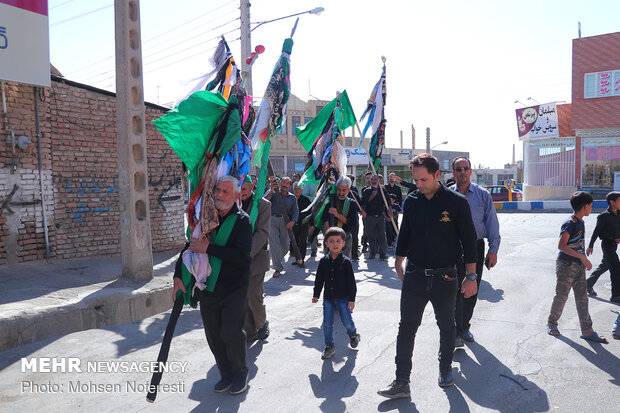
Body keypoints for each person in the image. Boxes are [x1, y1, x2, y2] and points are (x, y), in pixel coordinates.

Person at [378, 154, 478, 399]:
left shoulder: (457, 202)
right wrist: (399, 260)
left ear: (437, 175)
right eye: (416, 180)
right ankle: (401, 381)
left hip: (446, 277)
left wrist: (472, 276)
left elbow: (469, 240)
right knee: (407, 328)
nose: (419, 184)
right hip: (415, 276)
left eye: (423, 179)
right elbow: (406, 234)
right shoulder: (412, 201)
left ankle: (445, 369)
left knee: (446, 326)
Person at [172, 175, 253, 395]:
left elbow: (241, 256)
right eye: (217, 190)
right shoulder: (205, 218)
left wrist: (210, 249)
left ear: (236, 196)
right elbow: (191, 247)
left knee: (231, 332)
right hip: (208, 286)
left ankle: (240, 373)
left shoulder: (242, 221)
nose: (219, 195)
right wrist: (177, 276)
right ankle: (225, 374)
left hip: (234, 286)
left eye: (226, 192)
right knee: (214, 334)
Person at [450, 156, 501, 346]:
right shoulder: (447, 196)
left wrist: (493, 250)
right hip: (453, 248)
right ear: (453, 173)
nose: (462, 172)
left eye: (465, 168)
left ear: (471, 171)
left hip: (476, 247)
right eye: (458, 169)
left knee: (471, 289)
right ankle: (455, 330)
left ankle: (465, 327)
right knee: (454, 289)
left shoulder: (482, 195)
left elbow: (492, 223)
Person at [546, 191, 608, 344]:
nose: (591, 208)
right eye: (590, 205)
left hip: (578, 266)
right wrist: (582, 257)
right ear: (585, 206)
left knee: (582, 298)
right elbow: (561, 245)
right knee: (562, 296)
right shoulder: (571, 223)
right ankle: (551, 323)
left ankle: (587, 331)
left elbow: (577, 244)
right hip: (566, 265)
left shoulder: (580, 221)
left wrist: (582, 258)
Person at [312, 226, 360, 359]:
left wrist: (352, 299)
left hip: (343, 299)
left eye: (338, 241)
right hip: (328, 299)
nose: (335, 244)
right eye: (331, 241)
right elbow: (319, 279)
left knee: (347, 321)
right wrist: (316, 294)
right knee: (327, 324)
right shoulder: (323, 261)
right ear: (326, 243)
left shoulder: (346, 262)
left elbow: (351, 283)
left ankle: (353, 334)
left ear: (343, 243)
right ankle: (329, 346)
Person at [240, 176, 271, 342]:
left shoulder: (263, 205)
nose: (241, 193)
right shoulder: (233, 203)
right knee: (242, 296)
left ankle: (261, 323)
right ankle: (249, 329)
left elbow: (263, 233)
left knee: (253, 294)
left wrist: (246, 253)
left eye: (244, 189)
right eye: (238, 189)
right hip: (236, 260)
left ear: (252, 186)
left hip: (256, 258)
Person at [585, 191, 620, 302]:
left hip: (614, 245)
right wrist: (590, 246)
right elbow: (596, 231)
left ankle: (587, 284)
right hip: (607, 245)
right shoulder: (604, 216)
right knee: (616, 269)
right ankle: (615, 296)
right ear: (612, 202)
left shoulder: (619, 213)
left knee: (604, 266)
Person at [265, 176, 299, 277]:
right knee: (274, 244)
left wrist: (293, 221)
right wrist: (271, 191)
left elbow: (295, 211)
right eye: (283, 182)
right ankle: (277, 268)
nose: (284, 184)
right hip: (272, 220)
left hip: (285, 222)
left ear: (289, 186)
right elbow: (264, 201)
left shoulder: (292, 197)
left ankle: (277, 261)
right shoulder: (273, 192)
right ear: (280, 183)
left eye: (287, 183)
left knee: (285, 246)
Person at [321, 176, 359, 259]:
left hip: (345, 237)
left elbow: (352, 223)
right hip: (330, 236)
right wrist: (328, 233)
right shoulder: (330, 200)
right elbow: (324, 217)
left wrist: (337, 214)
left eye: (344, 190)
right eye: (339, 189)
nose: (341, 193)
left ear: (349, 190)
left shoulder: (351, 203)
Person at [362, 174, 389, 260]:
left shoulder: (382, 191)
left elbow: (387, 201)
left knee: (382, 235)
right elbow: (364, 203)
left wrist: (390, 209)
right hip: (370, 216)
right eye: (372, 179)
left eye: (375, 179)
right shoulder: (367, 191)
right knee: (371, 236)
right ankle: (372, 253)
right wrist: (371, 197)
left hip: (380, 216)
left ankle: (383, 254)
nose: (373, 181)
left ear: (378, 181)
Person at [292, 182, 312, 267]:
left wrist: (311, 225)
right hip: (293, 224)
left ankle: (302, 260)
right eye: (295, 188)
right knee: (295, 243)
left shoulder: (306, 200)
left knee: (303, 242)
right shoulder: (291, 199)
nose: (297, 190)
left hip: (303, 224)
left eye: (299, 188)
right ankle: (297, 259)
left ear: (302, 189)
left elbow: (310, 213)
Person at [348, 174, 364, 261]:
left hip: (353, 217)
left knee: (354, 236)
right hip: (343, 217)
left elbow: (359, 203)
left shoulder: (354, 192)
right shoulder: (339, 191)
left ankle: (354, 255)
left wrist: (362, 210)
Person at [360, 171, 373, 253]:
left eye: (370, 178)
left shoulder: (379, 188)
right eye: (367, 178)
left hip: (376, 213)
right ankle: (364, 245)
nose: (369, 180)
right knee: (366, 230)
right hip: (367, 213)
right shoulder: (364, 189)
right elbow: (363, 202)